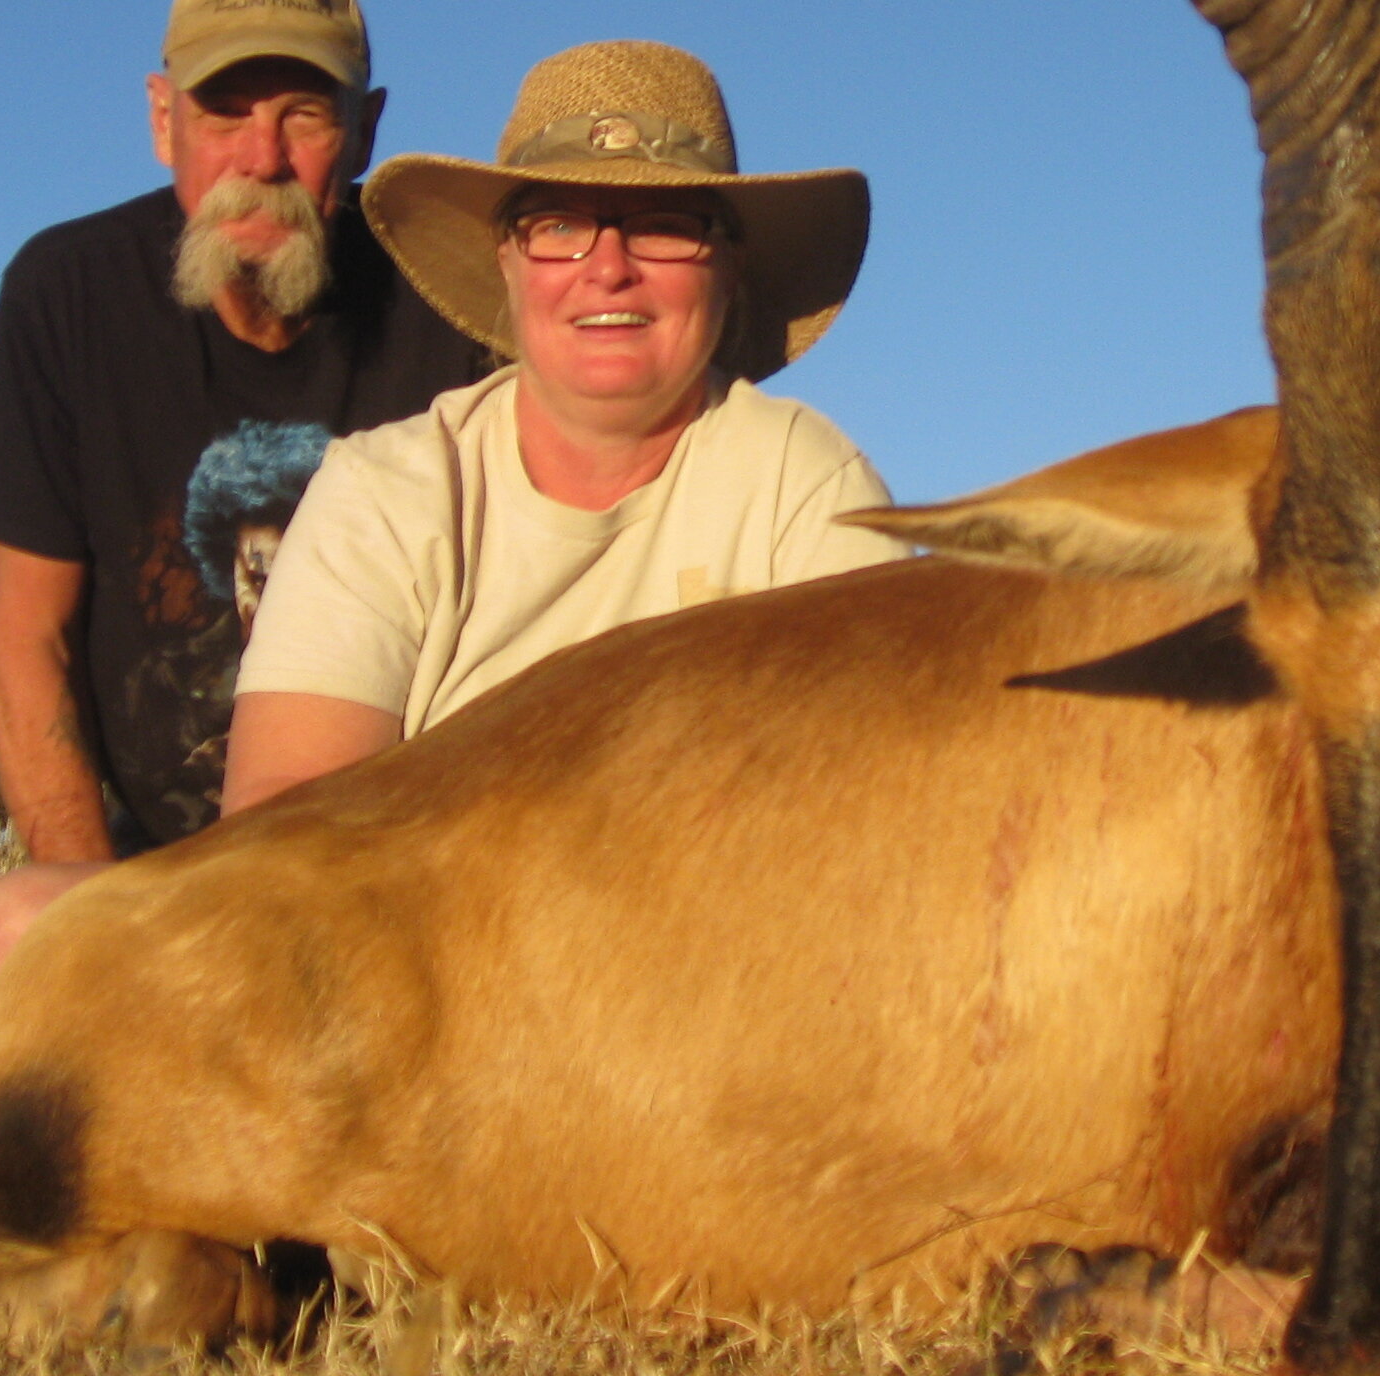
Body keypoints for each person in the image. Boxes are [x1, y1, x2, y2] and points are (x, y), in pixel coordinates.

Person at [0, 0, 482, 993]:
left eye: (305, 114)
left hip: (411, 883)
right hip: (165, 886)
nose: (263, 157)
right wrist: (99, 925)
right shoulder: (65, 296)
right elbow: (26, 634)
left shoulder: (453, 308)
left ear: (367, 130)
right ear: (162, 123)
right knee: (18, 934)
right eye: (224, 112)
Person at [222, 39, 906, 805]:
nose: (607, 266)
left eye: (664, 223)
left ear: (728, 266)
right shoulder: (384, 490)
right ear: (505, 263)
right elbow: (277, 815)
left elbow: (867, 804)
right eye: (556, 226)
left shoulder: (807, 487)